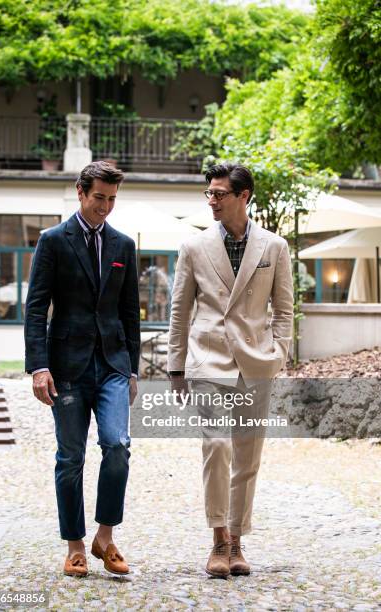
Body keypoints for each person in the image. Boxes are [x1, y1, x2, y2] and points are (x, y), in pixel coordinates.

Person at [167, 162, 293, 578]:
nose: (212, 200)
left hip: (256, 362)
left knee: (248, 455)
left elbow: (285, 310)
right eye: (209, 193)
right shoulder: (194, 247)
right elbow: (179, 311)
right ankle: (218, 539)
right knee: (217, 445)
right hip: (208, 359)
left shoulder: (274, 247)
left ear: (244, 196)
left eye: (220, 194)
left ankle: (238, 542)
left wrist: (278, 353)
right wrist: (176, 367)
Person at [24, 161, 140, 577]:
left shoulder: (123, 245)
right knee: (70, 457)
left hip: (112, 364)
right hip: (67, 366)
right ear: (80, 192)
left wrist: (133, 370)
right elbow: (36, 307)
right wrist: (39, 366)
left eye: (111, 199)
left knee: (118, 446)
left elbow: (130, 313)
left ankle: (104, 538)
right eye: (98, 198)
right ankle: (74, 546)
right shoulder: (53, 241)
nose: (105, 207)